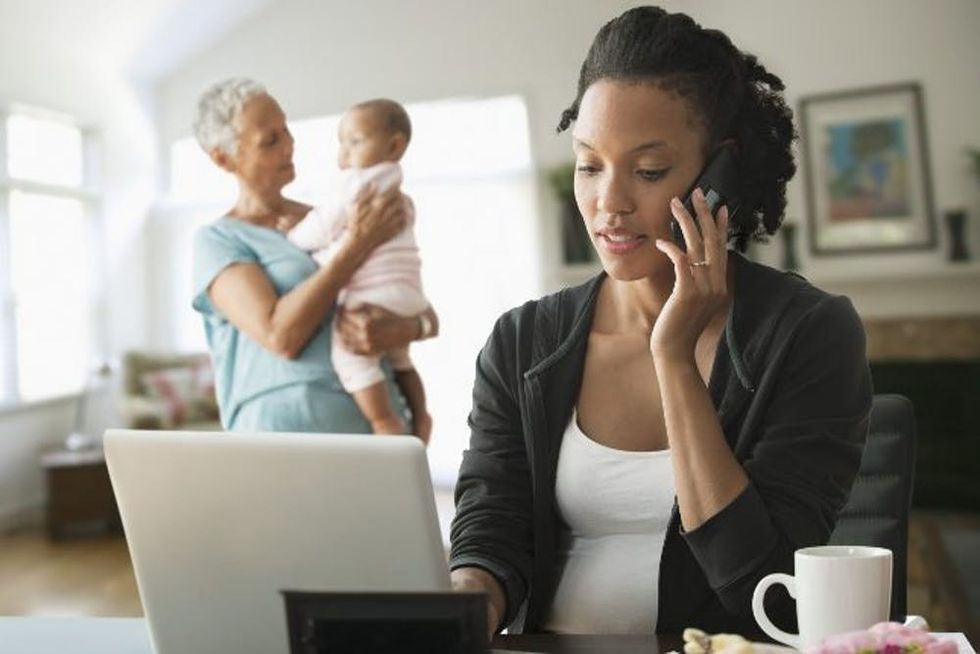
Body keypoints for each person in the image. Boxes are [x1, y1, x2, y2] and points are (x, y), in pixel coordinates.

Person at [449, 6, 871, 637]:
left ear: (719, 174)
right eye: (589, 165)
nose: (609, 203)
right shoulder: (522, 342)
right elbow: (493, 524)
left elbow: (764, 587)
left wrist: (672, 358)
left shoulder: (806, 334)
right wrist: (466, 601)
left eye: (647, 171)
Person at [190, 78, 438, 433]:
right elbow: (280, 337)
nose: (290, 145)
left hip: (379, 431)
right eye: (270, 140)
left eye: (286, 130)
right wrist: (355, 248)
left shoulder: (338, 217)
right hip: (279, 440)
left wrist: (408, 327)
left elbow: (414, 298)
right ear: (223, 158)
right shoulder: (219, 239)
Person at [280, 99, 432, 442]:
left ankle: (384, 422)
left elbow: (323, 226)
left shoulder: (357, 185)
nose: (344, 153)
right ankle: (421, 414)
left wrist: (293, 236)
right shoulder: (399, 192)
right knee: (399, 359)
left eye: (354, 141)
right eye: (341, 142)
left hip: (374, 294)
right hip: (408, 294)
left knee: (350, 356)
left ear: (394, 145)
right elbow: (360, 241)